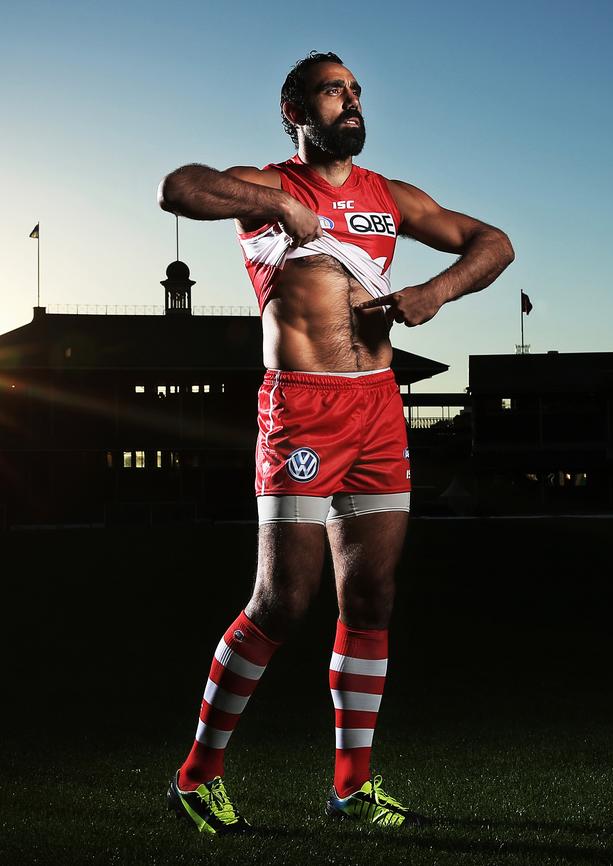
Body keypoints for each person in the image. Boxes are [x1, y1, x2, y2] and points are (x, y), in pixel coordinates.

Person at [158, 50, 514, 834]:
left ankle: (351, 788)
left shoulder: (392, 197)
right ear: (296, 111)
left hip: (378, 409)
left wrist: (435, 291)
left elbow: (493, 242)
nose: (349, 102)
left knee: (373, 598)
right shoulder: (272, 186)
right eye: (331, 91)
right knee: (282, 601)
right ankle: (196, 775)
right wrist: (275, 206)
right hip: (302, 409)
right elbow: (179, 187)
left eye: (355, 92)